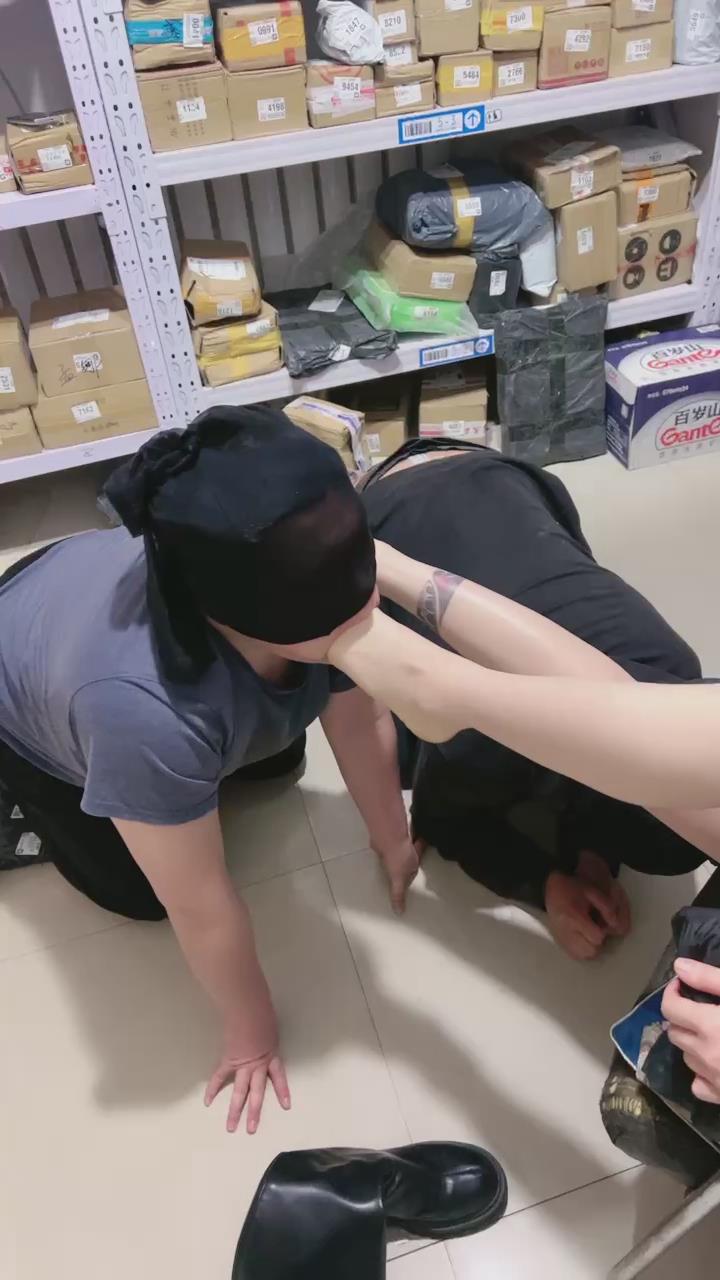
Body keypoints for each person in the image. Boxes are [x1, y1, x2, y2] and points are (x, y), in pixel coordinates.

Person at [0, 407, 419, 1134]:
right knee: (144, 894)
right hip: (26, 682)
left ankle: (197, 773)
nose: (367, 604)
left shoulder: (310, 585)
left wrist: (395, 840)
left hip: (78, 585)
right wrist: (252, 1032)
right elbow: (200, 906)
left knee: (280, 756)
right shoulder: (143, 709)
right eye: (334, 609)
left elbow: (359, 719)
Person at [355, 440, 707, 960]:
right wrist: (542, 883)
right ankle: (443, 672)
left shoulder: (679, 672)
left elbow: (610, 711)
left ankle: (442, 666)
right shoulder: (484, 747)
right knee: (410, 752)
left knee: (672, 810)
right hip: (385, 502)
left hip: (503, 474)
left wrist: (589, 858)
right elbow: (438, 816)